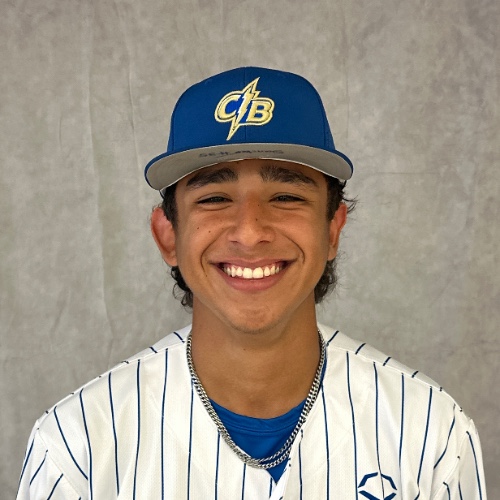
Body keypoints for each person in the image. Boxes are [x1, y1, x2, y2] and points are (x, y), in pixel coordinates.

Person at [17, 67, 486, 499]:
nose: (250, 231)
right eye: (214, 198)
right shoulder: (76, 447)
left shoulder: (432, 433)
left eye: (286, 196)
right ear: (168, 235)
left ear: (332, 230)